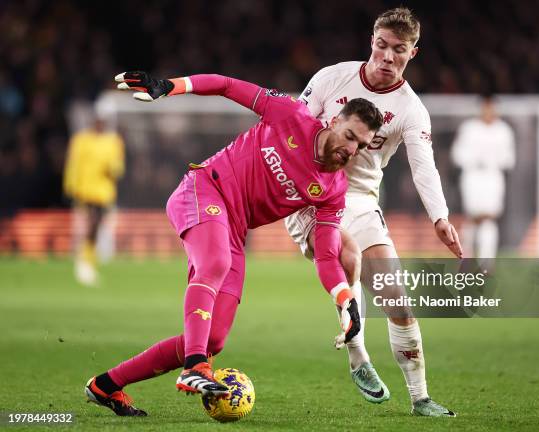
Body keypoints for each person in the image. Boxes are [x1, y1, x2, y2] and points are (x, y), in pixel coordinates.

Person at [84, 71, 383, 416]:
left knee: (214, 339)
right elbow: (227, 86)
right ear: (334, 121)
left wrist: (346, 300)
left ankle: (105, 385)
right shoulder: (289, 114)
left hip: (234, 230)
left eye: (361, 145)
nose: (351, 149)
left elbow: (328, 253)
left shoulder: (333, 189)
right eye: (349, 136)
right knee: (214, 266)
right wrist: (173, 87)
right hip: (203, 189)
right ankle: (196, 367)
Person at [284, 7, 461, 417]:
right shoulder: (331, 78)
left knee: (395, 296)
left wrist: (440, 216)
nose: (386, 56)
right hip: (309, 194)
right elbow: (292, 129)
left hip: (360, 197)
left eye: (398, 50)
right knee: (348, 256)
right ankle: (358, 355)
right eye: (380, 45)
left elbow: (424, 165)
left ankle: (420, 398)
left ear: (412, 53)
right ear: (371, 40)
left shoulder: (411, 109)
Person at [451, 95, 515, 258]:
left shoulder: (504, 130)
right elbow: (456, 155)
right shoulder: (469, 128)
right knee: (472, 218)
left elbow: (509, 159)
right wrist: (474, 160)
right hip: (472, 177)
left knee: (489, 219)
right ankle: (465, 257)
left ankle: (486, 263)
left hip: (493, 178)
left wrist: (492, 160)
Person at [63, 115, 125, 285]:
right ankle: (83, 263)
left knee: (95, 227)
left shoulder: (112, 142)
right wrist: (71, 186)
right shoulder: (81, 141)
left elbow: (118, 168)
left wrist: (112, 167)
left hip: (103, 193)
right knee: (90, 225)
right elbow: (74, 164)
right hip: (85, 191)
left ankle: (87, 262)